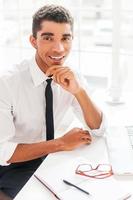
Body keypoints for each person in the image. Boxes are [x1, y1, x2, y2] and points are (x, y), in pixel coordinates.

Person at [0, 4, 105, 200]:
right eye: (48, 38)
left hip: (47, 159)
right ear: (33, 41)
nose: (59, 48)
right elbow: (2, 152)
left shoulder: (72, 76)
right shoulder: (6, 83)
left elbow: (98, 128)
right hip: (10, 165)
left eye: (65, 38)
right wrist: (60, 143)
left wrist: (79, 91)